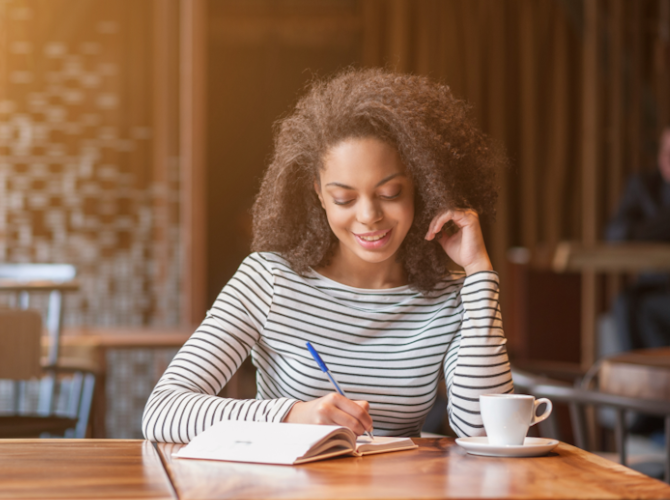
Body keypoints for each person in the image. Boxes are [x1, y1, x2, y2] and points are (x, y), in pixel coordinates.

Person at [142, 68, 513, 444]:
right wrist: (292, 415)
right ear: (319, 194)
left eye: (390, 193)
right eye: (344, 199)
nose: (369, 215)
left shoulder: (449, 298)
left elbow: (485, 431)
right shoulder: (269, 280)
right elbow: (163, 411)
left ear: (422, 184)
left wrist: (479, 272)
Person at [605, 127, 670, 352]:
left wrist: (643, 231)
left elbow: (632, 233)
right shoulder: (644, 186)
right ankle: (633, 380)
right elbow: (616, 234)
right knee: (624, 304)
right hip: (651, 284)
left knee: (646, 311)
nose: (668, 158)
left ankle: (656, 379)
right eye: (665, 151)